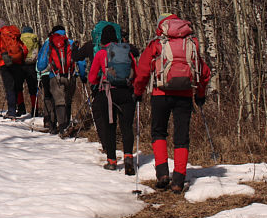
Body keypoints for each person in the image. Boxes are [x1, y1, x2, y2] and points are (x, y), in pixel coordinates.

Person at [132, 13, 211, 194]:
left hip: (160, 94)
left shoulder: (157, 43)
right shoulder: (191, 43)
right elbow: (203, 72)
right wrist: (200, 94)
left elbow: (143, 70)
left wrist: (138, 92)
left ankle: (162, 174)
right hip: (184, 94)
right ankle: (178, 179)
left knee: (159, 132)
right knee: (181, 136)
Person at [88, 24, 138, 174]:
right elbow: (135, 71)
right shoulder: (126, 51)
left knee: (110, 126)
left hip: (108, 93)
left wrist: (99, 83)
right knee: (126, 126)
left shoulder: (101, 54)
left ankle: (112, 160)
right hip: (127, 93)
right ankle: (128, 156)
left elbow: (92, 77)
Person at [35, 25, 78, 135]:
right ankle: (67, 125)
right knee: (67, 101)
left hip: (54, 76)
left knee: (59, 101)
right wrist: (81, 74)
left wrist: (44, 69)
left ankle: (62, 127)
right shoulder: (71, 42)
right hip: (70, 76)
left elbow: (40, 65)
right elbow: (80, 60)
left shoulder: (49, 43)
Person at [0, 20, 28, 119]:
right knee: (17, 87)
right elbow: (24, 49)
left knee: (9, 88)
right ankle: (19, 108)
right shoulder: (14, 35)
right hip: (17, 64)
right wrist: (20, 59)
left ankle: (11, 111)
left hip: (5, 64)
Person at [19, 26, 41, 116]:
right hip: (32, 65)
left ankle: (21, 108)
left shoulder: (19, 38)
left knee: (18, 87)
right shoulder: (35, 38)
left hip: (21, 64)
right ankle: (35, 109)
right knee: (33, 88)